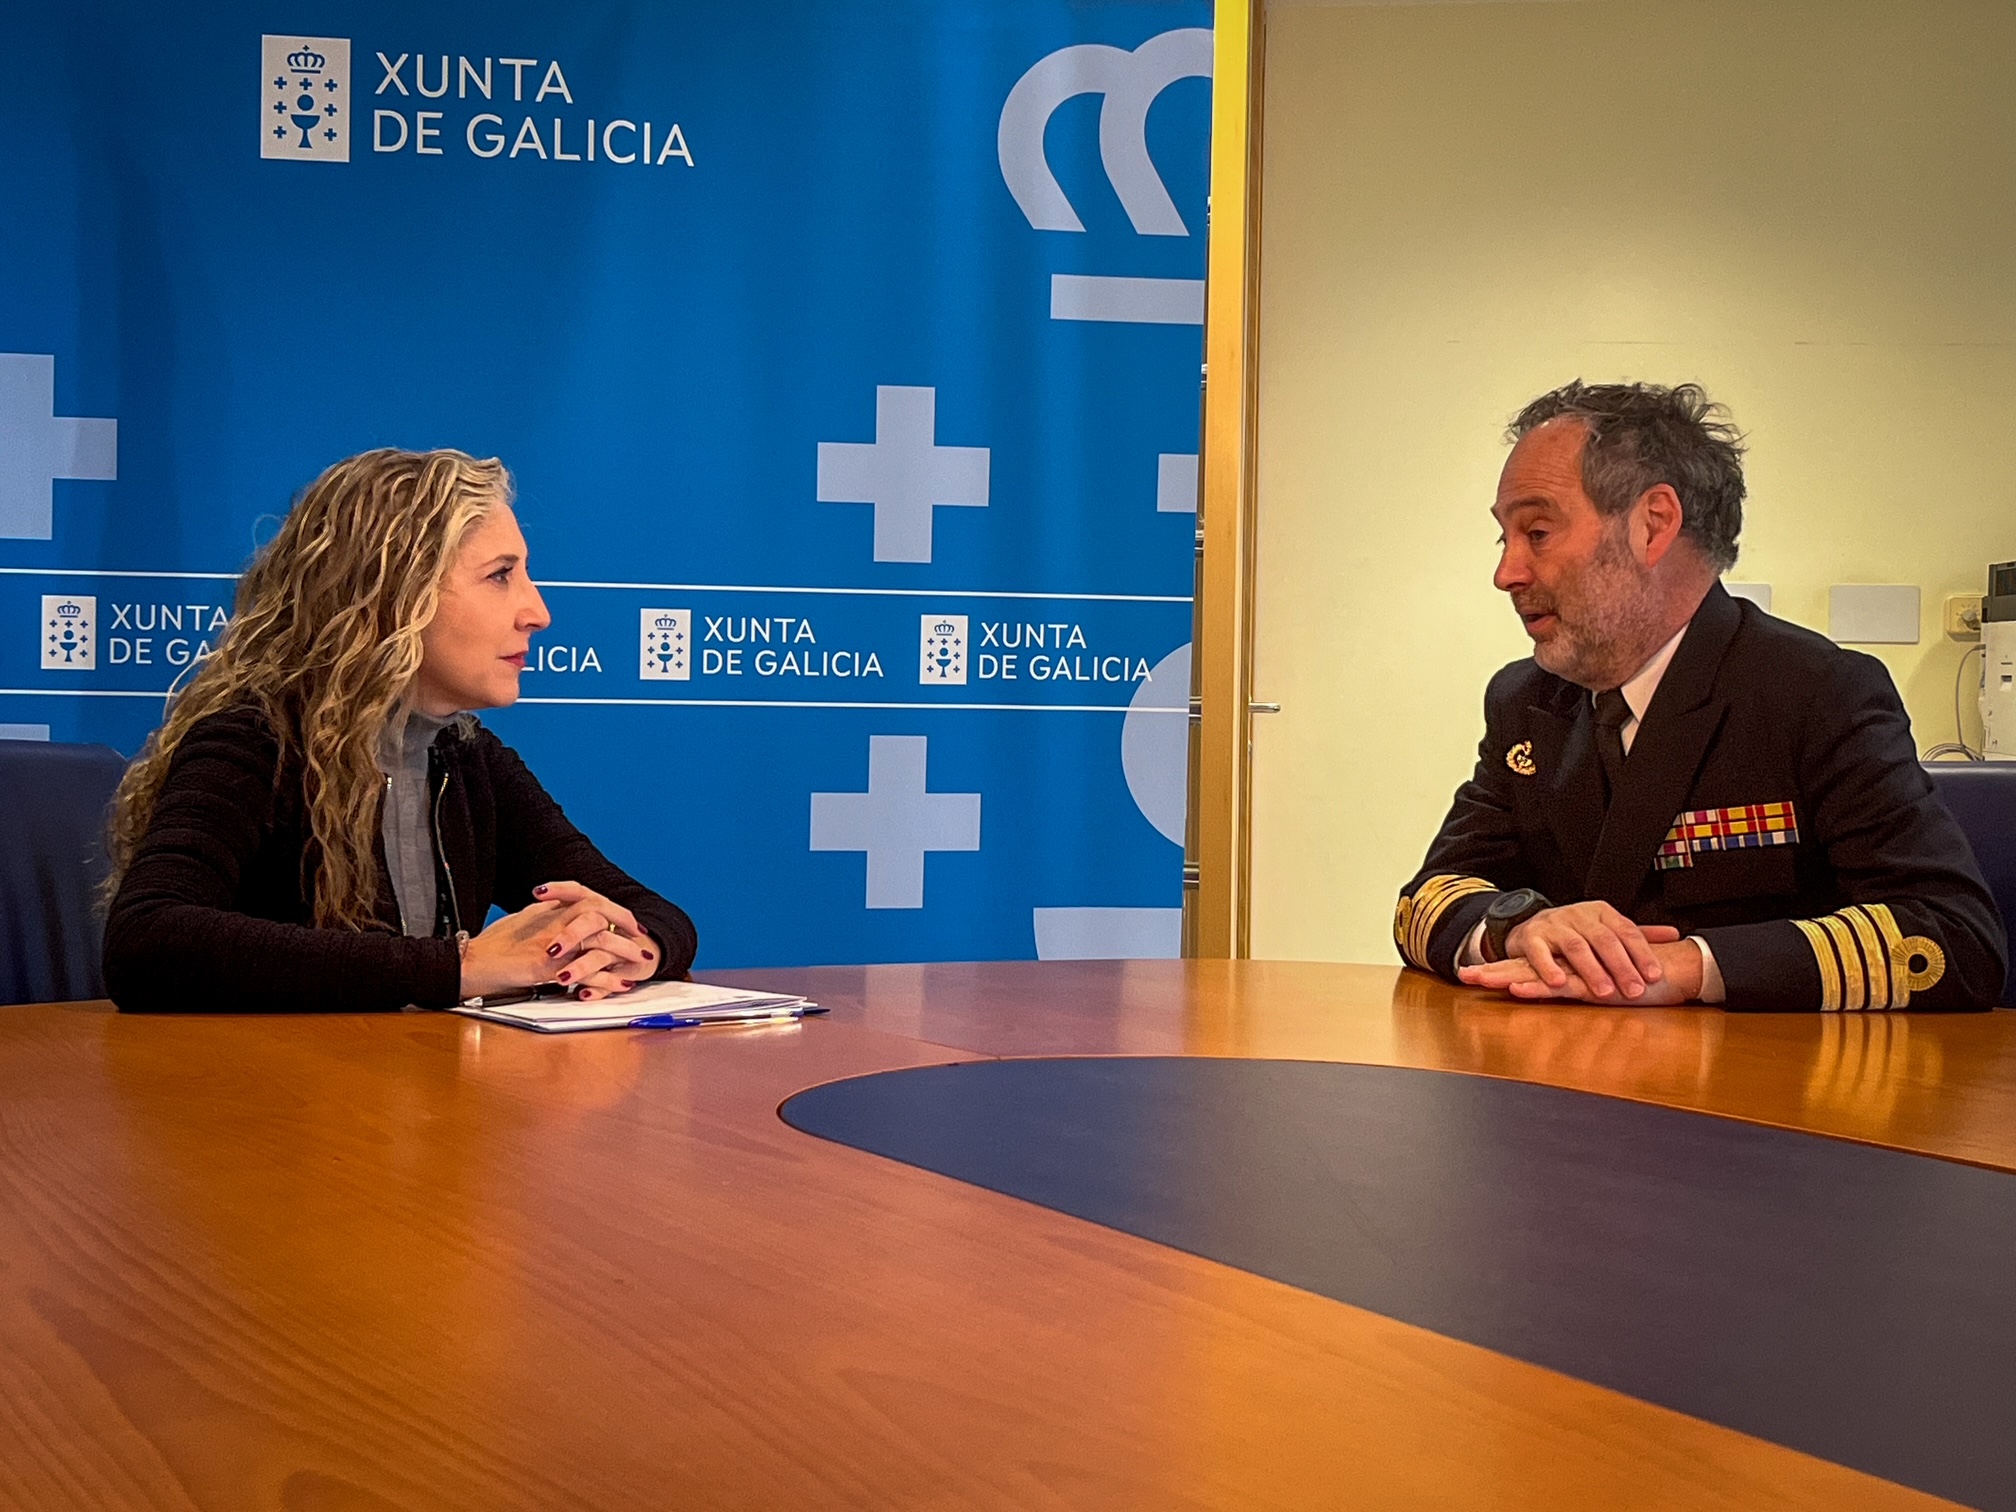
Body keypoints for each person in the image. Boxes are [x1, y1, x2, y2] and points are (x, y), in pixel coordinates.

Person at [1396, 381, 2004, 1011]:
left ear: (1653, 524)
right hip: (1559, 1064)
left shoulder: (1816, 692)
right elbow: (1428, 898)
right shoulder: (1525, 701)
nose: (1507, 573)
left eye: (1539, 531)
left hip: (1754, 1068)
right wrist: (1517, 926)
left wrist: (1690, 967)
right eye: (1505, 539)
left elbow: (1954, 937)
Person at [103, 448, 697, 1013]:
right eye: (500, 576)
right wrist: (461, 968)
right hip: (265, 1081)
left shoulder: (467, 757)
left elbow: (645, 911)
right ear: (395, 595)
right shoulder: (257, 741)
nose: (538, 613)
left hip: (413, 1076)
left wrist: (631, 948)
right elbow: (147, 941)